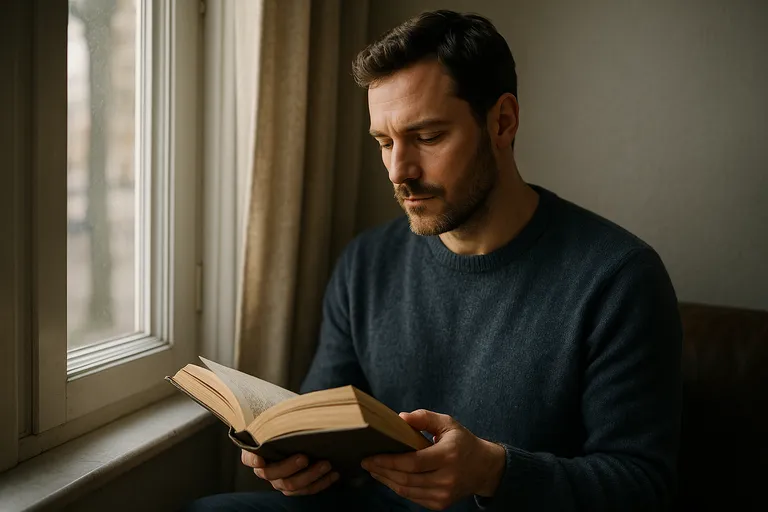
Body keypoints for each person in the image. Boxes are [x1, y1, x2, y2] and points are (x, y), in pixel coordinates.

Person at [185, 9, 682, 512]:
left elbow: (641, 485)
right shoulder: (365, 265)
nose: (399, 171)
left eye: (427, 137)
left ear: (502, 122)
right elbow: (325, 429)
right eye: (384, 142)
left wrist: (494, 471)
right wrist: (297, 464)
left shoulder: (619, 278)